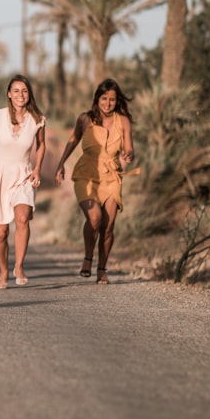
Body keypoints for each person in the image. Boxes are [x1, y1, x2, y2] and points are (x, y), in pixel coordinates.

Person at [53, 78, 135, 285]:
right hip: (87, 173)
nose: (108, 103)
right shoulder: (85, 119)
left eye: (112, 99)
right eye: (104, 98)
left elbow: (129, 147)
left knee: (108, 225)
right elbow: (73, 140)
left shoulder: (123, 121)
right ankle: (88, 258)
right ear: (97, 98)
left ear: (117, 101)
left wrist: (128, 154)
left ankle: (102, 269)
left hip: (111, 175)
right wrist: (60, 163)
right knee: (95, 219)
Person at [0, 75, 46, 289]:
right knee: (1, 232)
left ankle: (19, 266)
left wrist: (38, 169)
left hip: (23, 174)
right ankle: (3, 271)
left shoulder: (37, 119)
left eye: (24, 91)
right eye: (16, 91)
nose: (20, 95)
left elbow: (41, 145)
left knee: (23, 218)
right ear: (9, 94)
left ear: (29, 94)